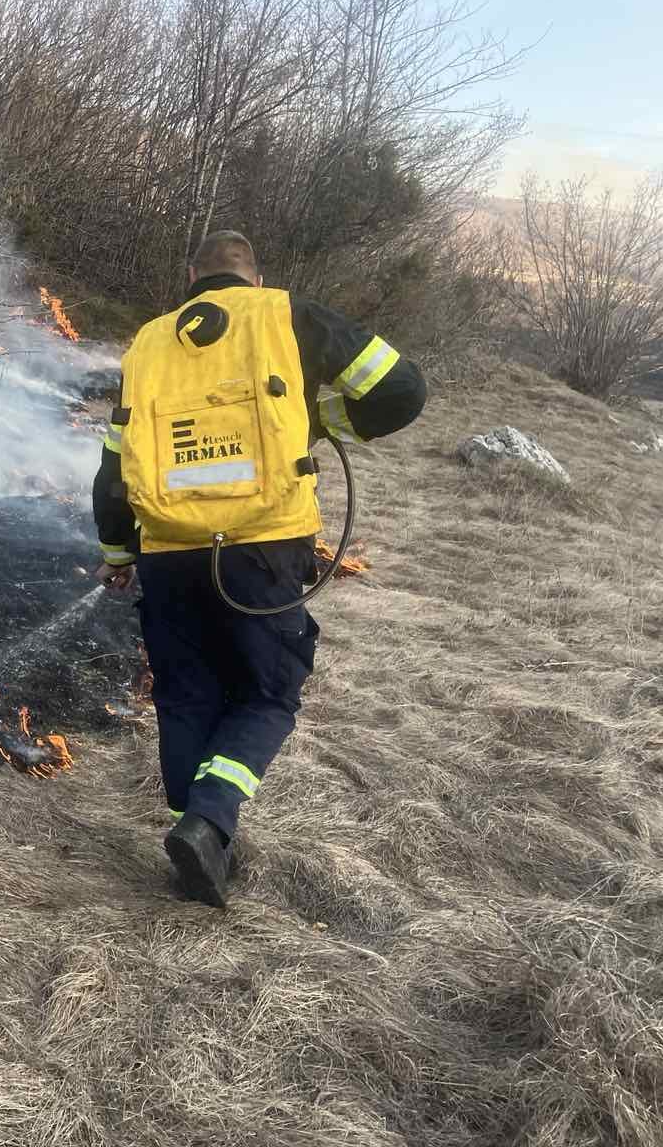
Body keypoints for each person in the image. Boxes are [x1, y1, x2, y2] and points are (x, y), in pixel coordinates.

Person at [92, 230, 425, 908]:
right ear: (255, 276)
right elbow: (402, 390)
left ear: (192, 276)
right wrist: (321, 420)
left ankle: (200, 834)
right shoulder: (291, 316)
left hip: (168, 550)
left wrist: (118, 553)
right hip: (264, 545)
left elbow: (113, 466)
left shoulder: (148, 344)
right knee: (268, 693)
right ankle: (209, 819)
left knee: (186, 692)